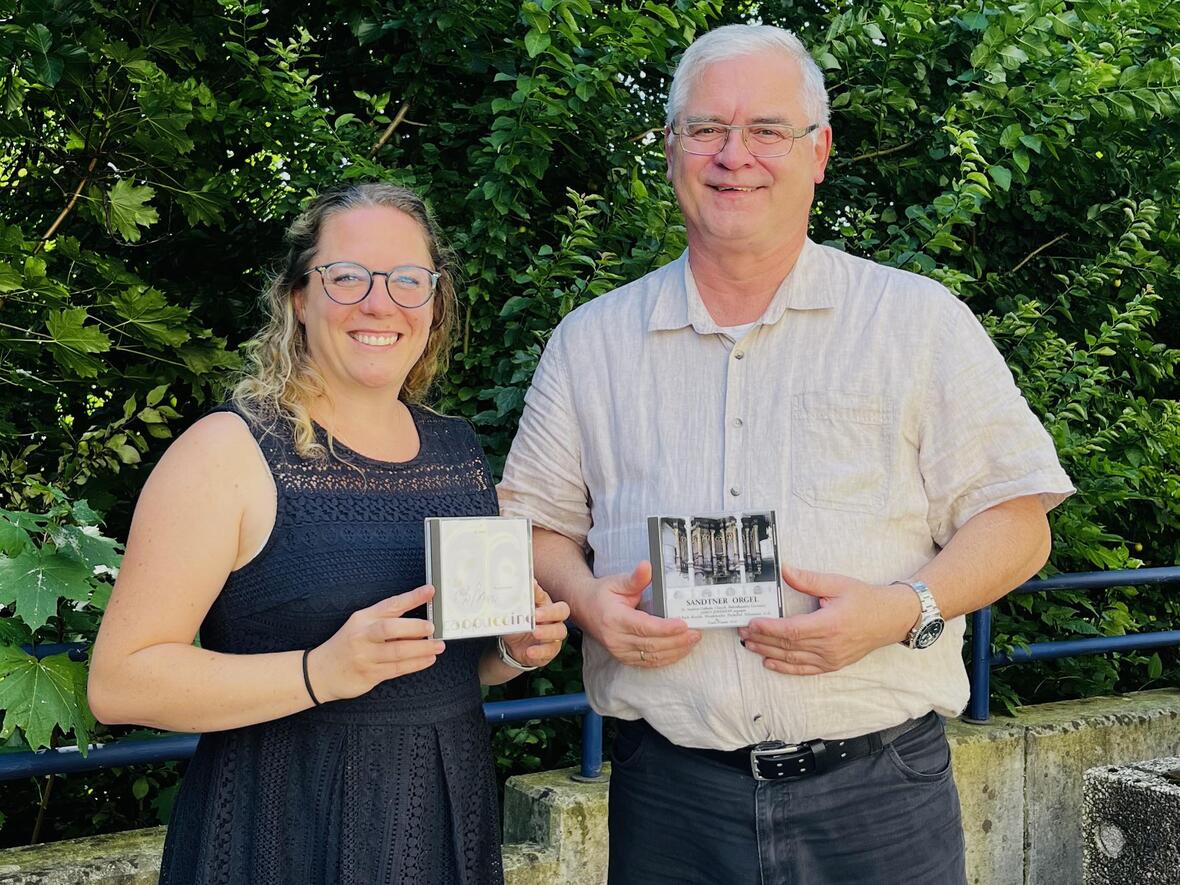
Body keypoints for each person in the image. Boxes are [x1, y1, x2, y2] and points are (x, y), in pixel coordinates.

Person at [498, 23, 1074, 885]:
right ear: (669, 149)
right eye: (706, 129)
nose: (736, 156)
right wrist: (586, 600)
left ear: (819, 151)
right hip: (670, 800)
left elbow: (1019, 524)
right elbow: (536, 524)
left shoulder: (916, 322)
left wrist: (900, 607)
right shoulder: (590, 344)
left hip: (880, 797)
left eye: (768, 130)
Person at [88, 183, 569, 885]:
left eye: (409, 280)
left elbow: (448, 663)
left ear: (433, 306)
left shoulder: (457, 449)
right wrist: (319, 672)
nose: (380, 302)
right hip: (281, 830)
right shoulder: (227, 451)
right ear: (298, 299)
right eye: (347, 277)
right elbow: (120, 681)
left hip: (440, 823)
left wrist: (512, 649)